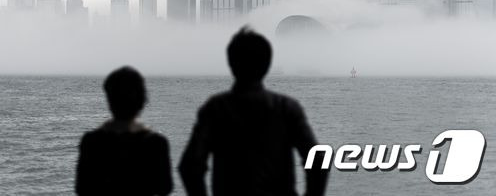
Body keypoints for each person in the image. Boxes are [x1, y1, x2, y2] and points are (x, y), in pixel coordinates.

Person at [179, 27, 328, 196]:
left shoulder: (215, 109)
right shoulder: (287, 108)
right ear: (267, 64)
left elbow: (190, 166)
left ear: (231, 63)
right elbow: (318, 160)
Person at [76, 66, 173, 196]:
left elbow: (82, 189)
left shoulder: (91, 141)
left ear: (110, 101)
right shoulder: (156, 143)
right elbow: (164, 188)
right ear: (142, 101)